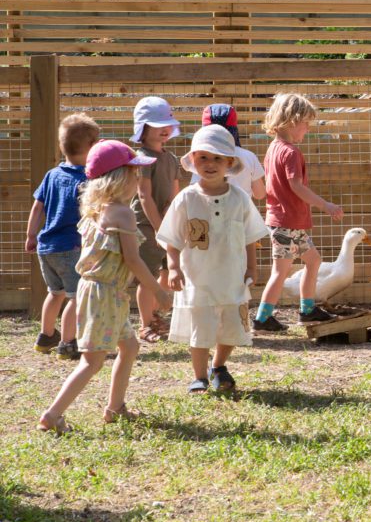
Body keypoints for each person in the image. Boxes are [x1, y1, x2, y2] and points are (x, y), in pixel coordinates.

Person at [37, 141, 171, 433]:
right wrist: (158, 291)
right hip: (105, 294)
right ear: (119, 177)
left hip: (103, 292)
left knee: (130, 346)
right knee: (92, 361)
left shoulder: (97, 209)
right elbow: (133, 260)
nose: (138, 178)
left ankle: (115, 408)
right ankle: (52, 414)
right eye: (134, 173)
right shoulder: (123, 213)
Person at [159, 125, 269, 394]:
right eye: (203, 157)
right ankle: (199, 377)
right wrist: (173, 268)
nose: (210, 164)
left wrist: (252, 267)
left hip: (231, 276)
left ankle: (218, 366)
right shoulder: (186, 198)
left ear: (229, 163)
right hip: (198, 279)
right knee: (201, 328)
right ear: (193, 160)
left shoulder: (240, 198)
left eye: (218, 158)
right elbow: (171, 237)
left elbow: (250, 236)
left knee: (231, 325)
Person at [252, 93, 344, 332]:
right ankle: (262, 318)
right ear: (293, 121)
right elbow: (296, 186)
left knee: (313, 260)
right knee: (280, 272)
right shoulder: (291, 152)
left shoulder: (273, 149)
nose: (308, 129)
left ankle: (307, 309)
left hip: (284, 221)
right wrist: (325, 205)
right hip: (287, 222)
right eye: (306, 123)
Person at [25, 114, 100, 360]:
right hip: (71, 247)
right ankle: (68, 343)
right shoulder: (89, 179)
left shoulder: (52, 175)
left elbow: (38, 207)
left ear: (61, 145)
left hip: (46, 247)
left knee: (55, 292)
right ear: (92, 146)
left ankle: (46, 335)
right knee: (76, 297)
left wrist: (31, 235)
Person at [129, 96, 182, 343]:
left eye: (167, 124)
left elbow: (175, 195)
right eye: (157, 125)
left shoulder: (171, 159)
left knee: (167, 271)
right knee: (147, 277)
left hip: (167, 227)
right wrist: (160, 227)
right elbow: (144, 196)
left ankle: (156, 316)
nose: (164, 129)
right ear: (143, 128)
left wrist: (173, 221)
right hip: (146, 227)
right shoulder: (141, 158)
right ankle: (145, 324)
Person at [189, 104, 266, 200]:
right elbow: (259, 194)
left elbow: (194, 192)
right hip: (241, 208)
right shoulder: (249, 156)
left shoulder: (202, 158)